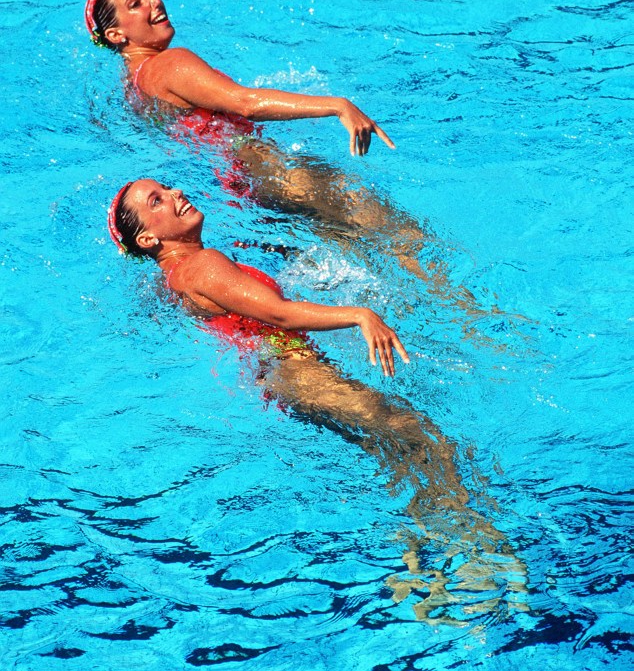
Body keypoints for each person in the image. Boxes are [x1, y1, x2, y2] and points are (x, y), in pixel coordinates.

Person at [108, 178, 527, 623]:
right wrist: (359, 315)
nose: (175, 195)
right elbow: (278, 313)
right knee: (421, 437)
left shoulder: (174, 276)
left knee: (396, 451)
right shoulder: (204, 265)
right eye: (157, 200)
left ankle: (420, 565)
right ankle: (484, 557)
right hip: (296, 369)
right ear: (148, 238)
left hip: (279, 374)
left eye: (168, 188)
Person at [87, 0, 496, 323]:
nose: (155, 3)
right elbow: (245, 102)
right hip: (271, 168)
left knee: (363, 254)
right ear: (116, 34)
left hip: (243, 186)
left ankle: (429, 318)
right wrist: (335, 105)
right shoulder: (168, 64)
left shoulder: (135, 89)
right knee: (398, 237)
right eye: (135, 4)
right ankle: (476, 319)